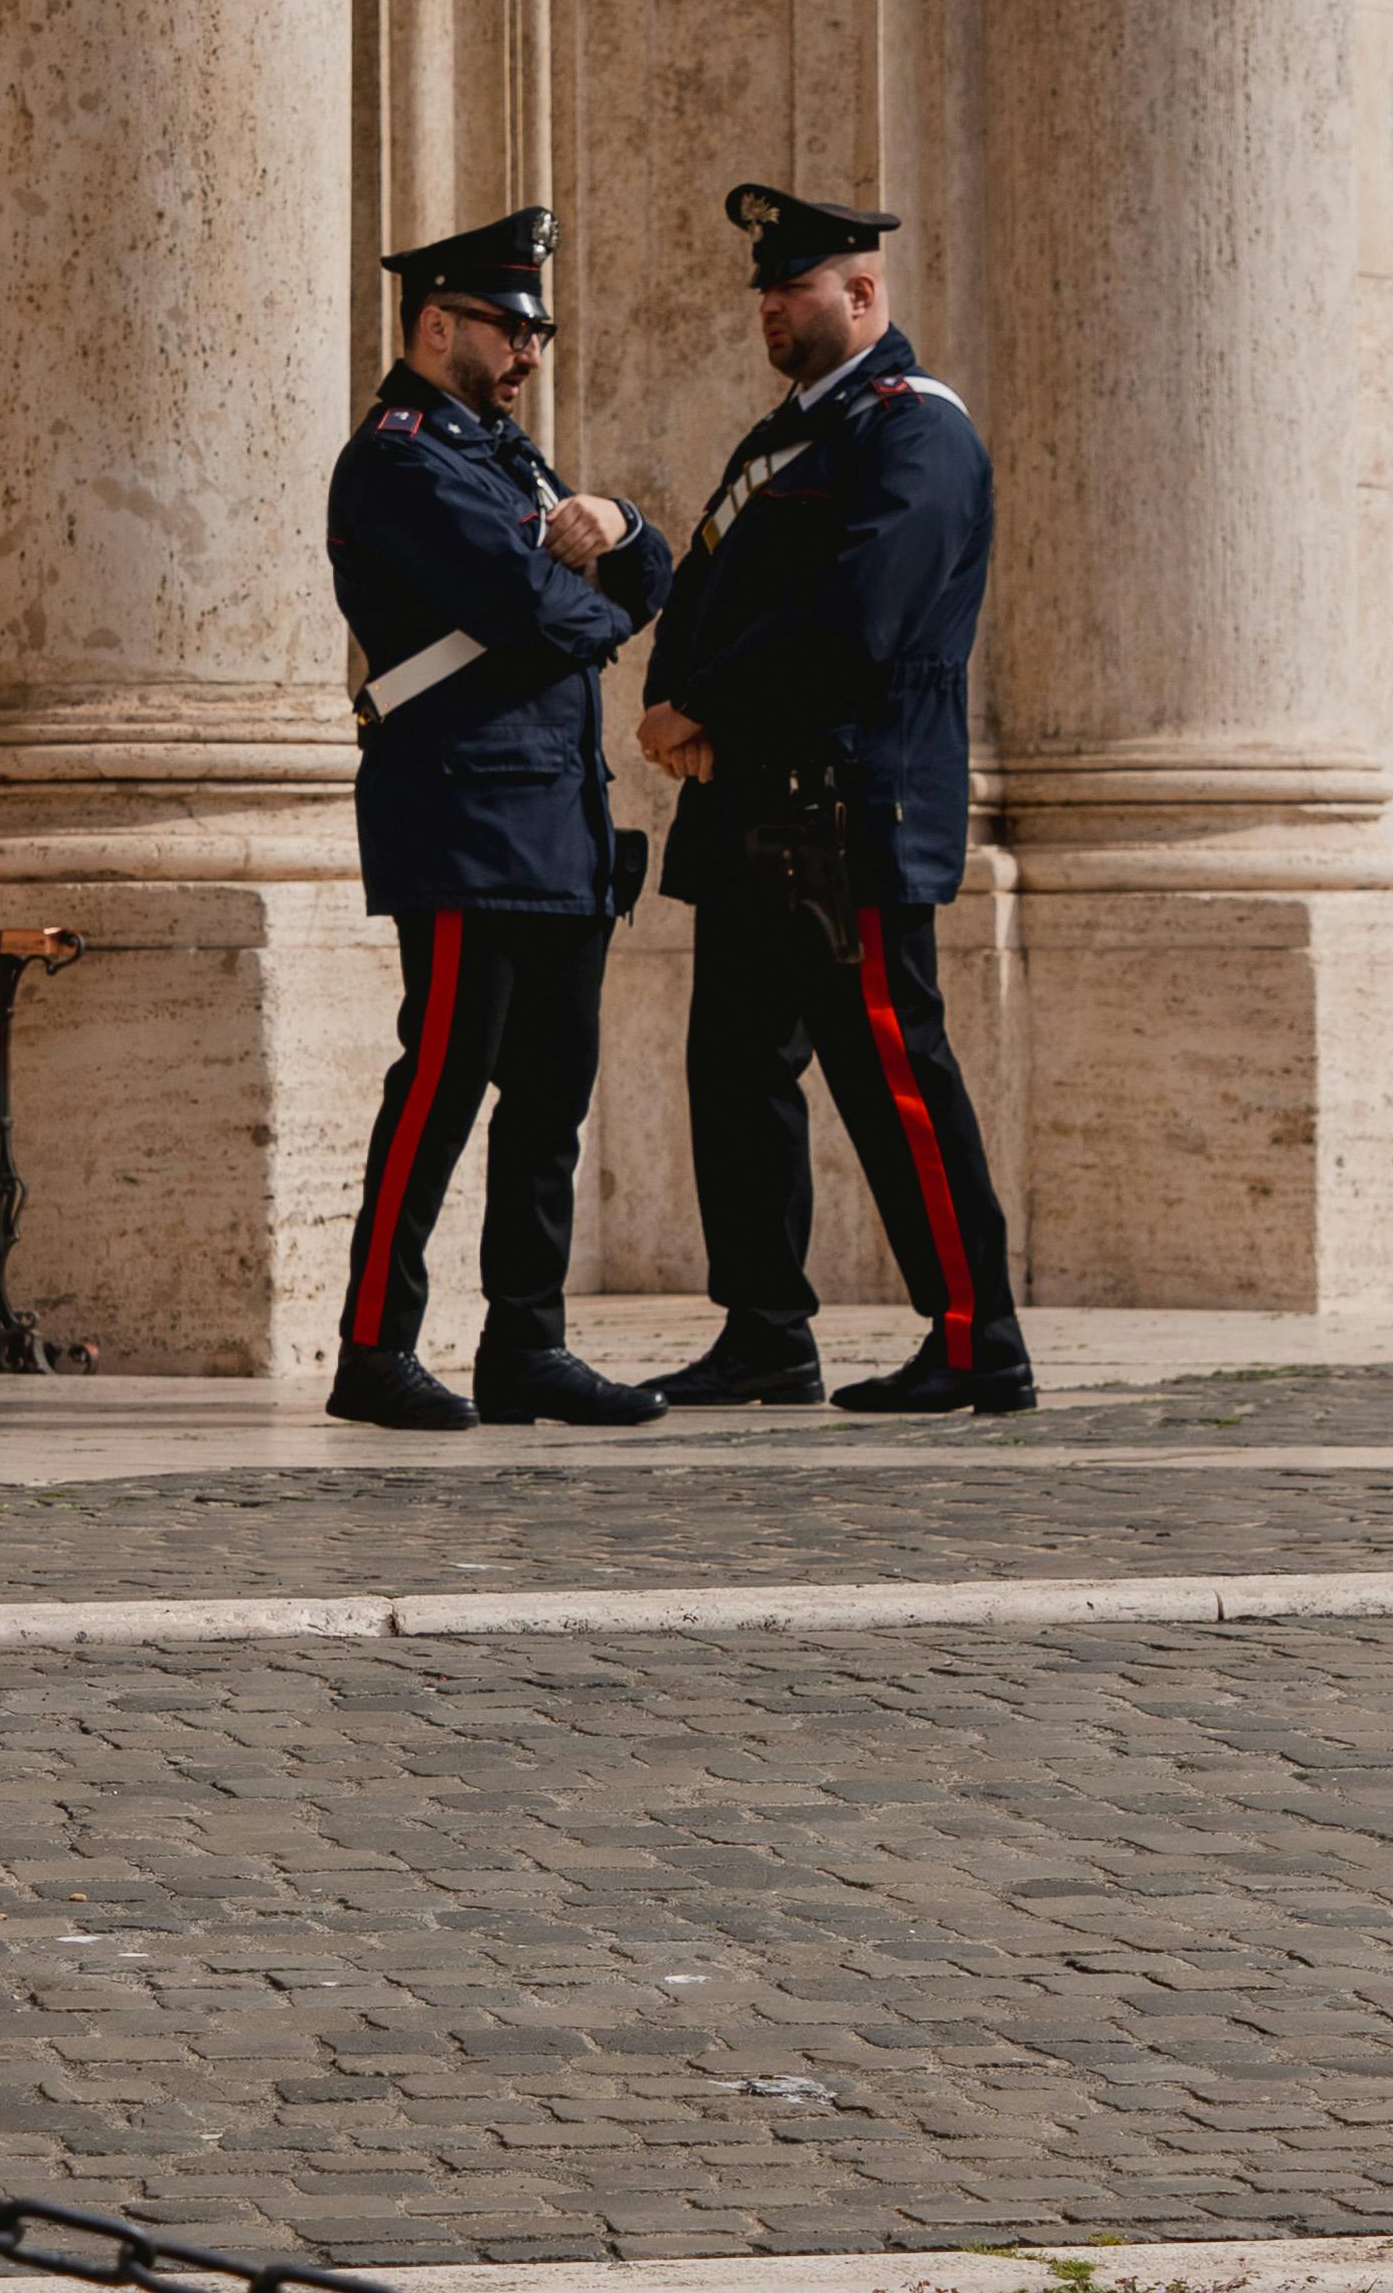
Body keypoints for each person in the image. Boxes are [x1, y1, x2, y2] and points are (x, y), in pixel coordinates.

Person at [636, 184, 1033, 1420]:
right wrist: (676, 704)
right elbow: (705, 590)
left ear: (861, 296)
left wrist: (707, 708)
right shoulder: (780, 441)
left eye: (791, 289)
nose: (768, 307)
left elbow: (858, 620)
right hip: (757, 806)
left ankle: (978, 1338)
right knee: (735, 1067)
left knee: (891, 1071)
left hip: (851, 808)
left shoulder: (913, 432)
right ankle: (764, 1332)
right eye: (763, 290)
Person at [326, 206, 673, 1437]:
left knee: (548, 1096)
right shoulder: (402, 456)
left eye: (538, 330)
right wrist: (595, 589)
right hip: (465, 818)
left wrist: (622, 528)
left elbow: (646, 578)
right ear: (436, 325)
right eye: (510, 328)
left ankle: (527, 1343)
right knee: (440, 1088)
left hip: (559, 824)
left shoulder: (506, 456)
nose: (529, 352)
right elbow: (541, 616)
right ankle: (374, 1346)